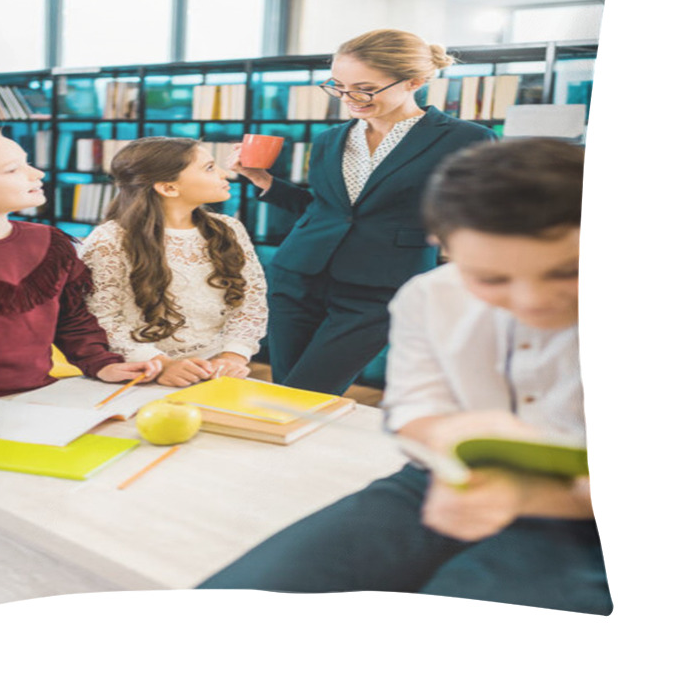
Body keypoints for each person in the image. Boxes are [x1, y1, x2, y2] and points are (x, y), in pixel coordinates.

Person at [200, 138, 613, 616]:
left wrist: (545, 493)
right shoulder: (429, 295)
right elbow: (414, 405)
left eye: (568, 272)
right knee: (242, 599)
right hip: (440, 478)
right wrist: (446, 437)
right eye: (492, 278)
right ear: (441, 244)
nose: (531, 302)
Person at [231, 28, 496, 396]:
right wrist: (264, 181)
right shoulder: (329, 139)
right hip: (296, 278)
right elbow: (326, 211)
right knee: (287, 392)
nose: (348, 98)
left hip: (379, 287)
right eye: (338, 85)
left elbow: (476, 216)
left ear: (414, 81)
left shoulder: (465, 139)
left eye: (365, 87)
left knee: (311, 391)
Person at [0, 121, 162, 401]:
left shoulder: (49, 243)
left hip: (36, 398)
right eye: (12, 169)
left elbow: (73, 321)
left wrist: (104, 364)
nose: (37, 174)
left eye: (27, 163)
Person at [81, 137, 268, 388]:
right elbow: (101, 318)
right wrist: (162, 365)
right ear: (169, 188)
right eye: (209, 167)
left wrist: (232, 355)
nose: (225, 174)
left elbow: (250, 303)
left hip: (215, 371)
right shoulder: (110, 240)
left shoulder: (229, 229)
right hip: (141, 371)